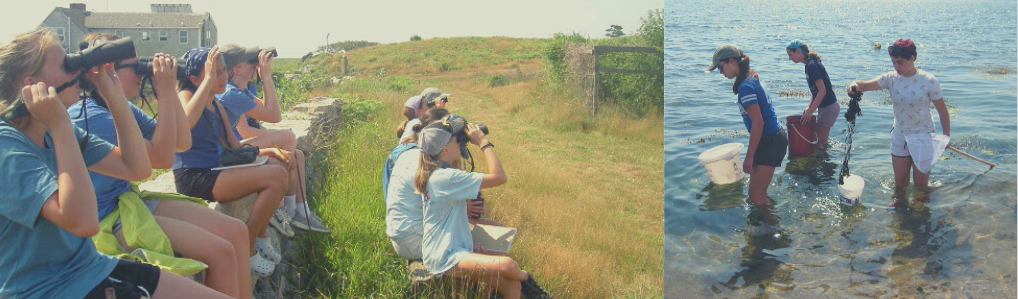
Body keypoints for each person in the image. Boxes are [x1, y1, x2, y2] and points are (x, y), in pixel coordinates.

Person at [0, 28, 230, 299]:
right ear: (31, 85)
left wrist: (113, 94)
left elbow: (138, 168)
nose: (76, 72)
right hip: (46, 289)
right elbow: (84, 222)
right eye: (66, 65)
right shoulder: (9, 147)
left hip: (89, 267)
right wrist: (61, 125)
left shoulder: (53, 130)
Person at [68, 33, 252, 298]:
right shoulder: (91, 117)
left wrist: (171, 90)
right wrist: (165, 93)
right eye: (135, 67)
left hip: (124, 201)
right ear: (104, 73)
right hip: (104, 218)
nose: (142, 73)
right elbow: (162, 160)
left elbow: (181, 141)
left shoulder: (119, 107)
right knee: (220, 252)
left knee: (236, 230)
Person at [174, 46, 290, 278]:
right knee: (275, 177)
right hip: (195, 175)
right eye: (214, 72)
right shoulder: (185, 97)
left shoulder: (216, 104)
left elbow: (234, 147)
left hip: (218, 167)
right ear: (195, 78)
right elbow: (185, 123)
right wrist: (207, 83)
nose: (223, 77)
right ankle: (247, 245)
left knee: (277, 166)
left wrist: (269, 151)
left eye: (224, 70)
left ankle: (261, 234)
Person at [415, 114, 549, 298]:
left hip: (449, 249)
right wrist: (483, 143)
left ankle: (521, 283)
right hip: (445, 257)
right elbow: (499, 177)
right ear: (445, 149)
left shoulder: (438, 173)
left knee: (510, 285)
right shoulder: (445, 178)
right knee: (509, 266)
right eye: (458, 140)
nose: (460, 143)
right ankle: (529, 281)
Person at [216, 44, 330, 234]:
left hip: (232, 148)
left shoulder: (240, 90)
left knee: (297, 154)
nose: (256, 65)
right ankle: (282, 210)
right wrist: (266, 76)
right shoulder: (229, 93)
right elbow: (273, 116)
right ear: (236, 69)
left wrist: (262, 77)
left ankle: (300, 212)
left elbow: (267, 110)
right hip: (226, 153)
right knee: (287, 139)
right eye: (251, 62)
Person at [384, 108, 500, 261]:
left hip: (408, 234)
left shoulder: (417, 154)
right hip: (416, 240)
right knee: (495, 248)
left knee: (492, 228)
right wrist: (483, 143)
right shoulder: (429, 167)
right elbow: (498, 177)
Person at [846, 38, 950, 205]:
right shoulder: (891, 78)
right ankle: (901, 206)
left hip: (924, 136)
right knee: (900, 183)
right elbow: (863, 85)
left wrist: (946, 137)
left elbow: (942, 110)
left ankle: (921, 210)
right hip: (900, 136)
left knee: (921, 185)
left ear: (913, 58)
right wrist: (853, 86)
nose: (896, 67)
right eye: (894, 62)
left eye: (900, 62)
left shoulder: (929, 80)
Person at [706, 44, 787, 228]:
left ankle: (776, 230)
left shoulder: (745, 86)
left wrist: (749, 157)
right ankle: (767, 224)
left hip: (770, 141)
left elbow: (758, 123)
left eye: (720, 67)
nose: (720, 72)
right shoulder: (751, 77)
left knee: (756, 195)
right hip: (772, 139)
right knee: (757, 192)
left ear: (732, 61)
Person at [785, 40, 839, 150]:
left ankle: (826, 164)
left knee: (818, 144)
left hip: (828, 108)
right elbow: (815, 92)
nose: (789, 58)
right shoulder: (808, 65)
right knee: (821, 143)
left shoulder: (812, 65)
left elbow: (822, 91)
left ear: (798, 52)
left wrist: (810, 112)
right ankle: (826, 162)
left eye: (790, 54)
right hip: (826, 107)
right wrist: (809, 107)